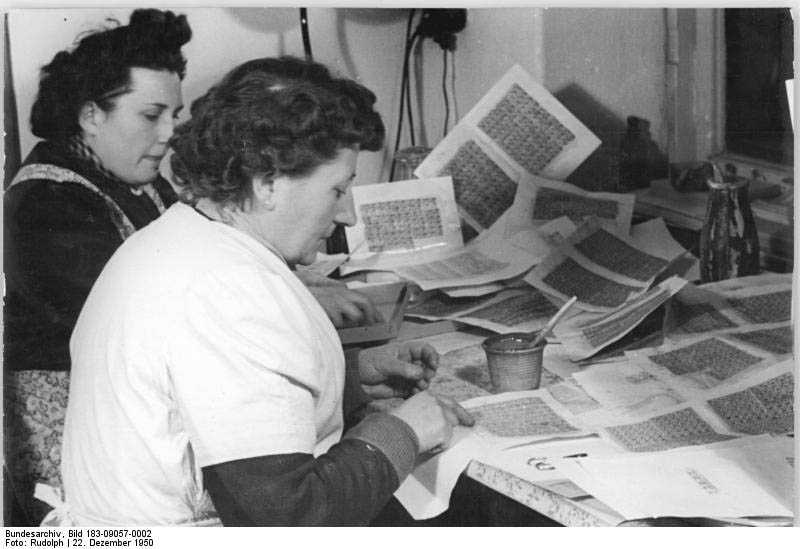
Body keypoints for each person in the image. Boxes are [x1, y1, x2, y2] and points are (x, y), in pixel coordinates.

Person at [57, 56, 474, 526]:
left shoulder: (178, 238)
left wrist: (347, 383)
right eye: (337, 191)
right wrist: (403, 432)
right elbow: (288, 521)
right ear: (268, 185)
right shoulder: (231, 290)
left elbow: (210, 404)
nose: (348, 217)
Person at [3, 9, 191, 373]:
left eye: (174, 115)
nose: (169, 134)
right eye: (152, 116)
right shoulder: (44, 205)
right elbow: (145, 317)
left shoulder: (139, 180)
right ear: (91, 116)